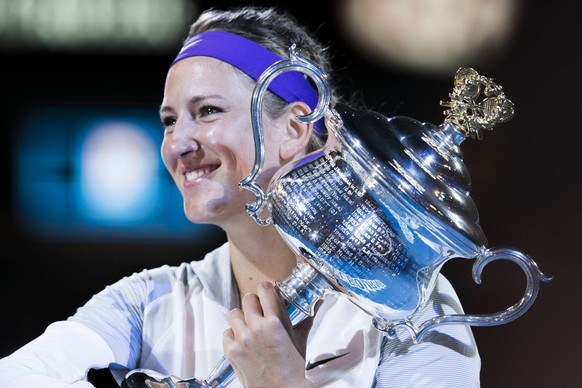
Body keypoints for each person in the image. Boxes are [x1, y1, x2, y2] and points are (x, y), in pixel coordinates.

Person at [0, 5, 480, 387]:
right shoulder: (151, 301)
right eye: (170, 120)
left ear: (294, 129)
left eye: (207, 111)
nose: (178, 143)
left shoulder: (412, 312)